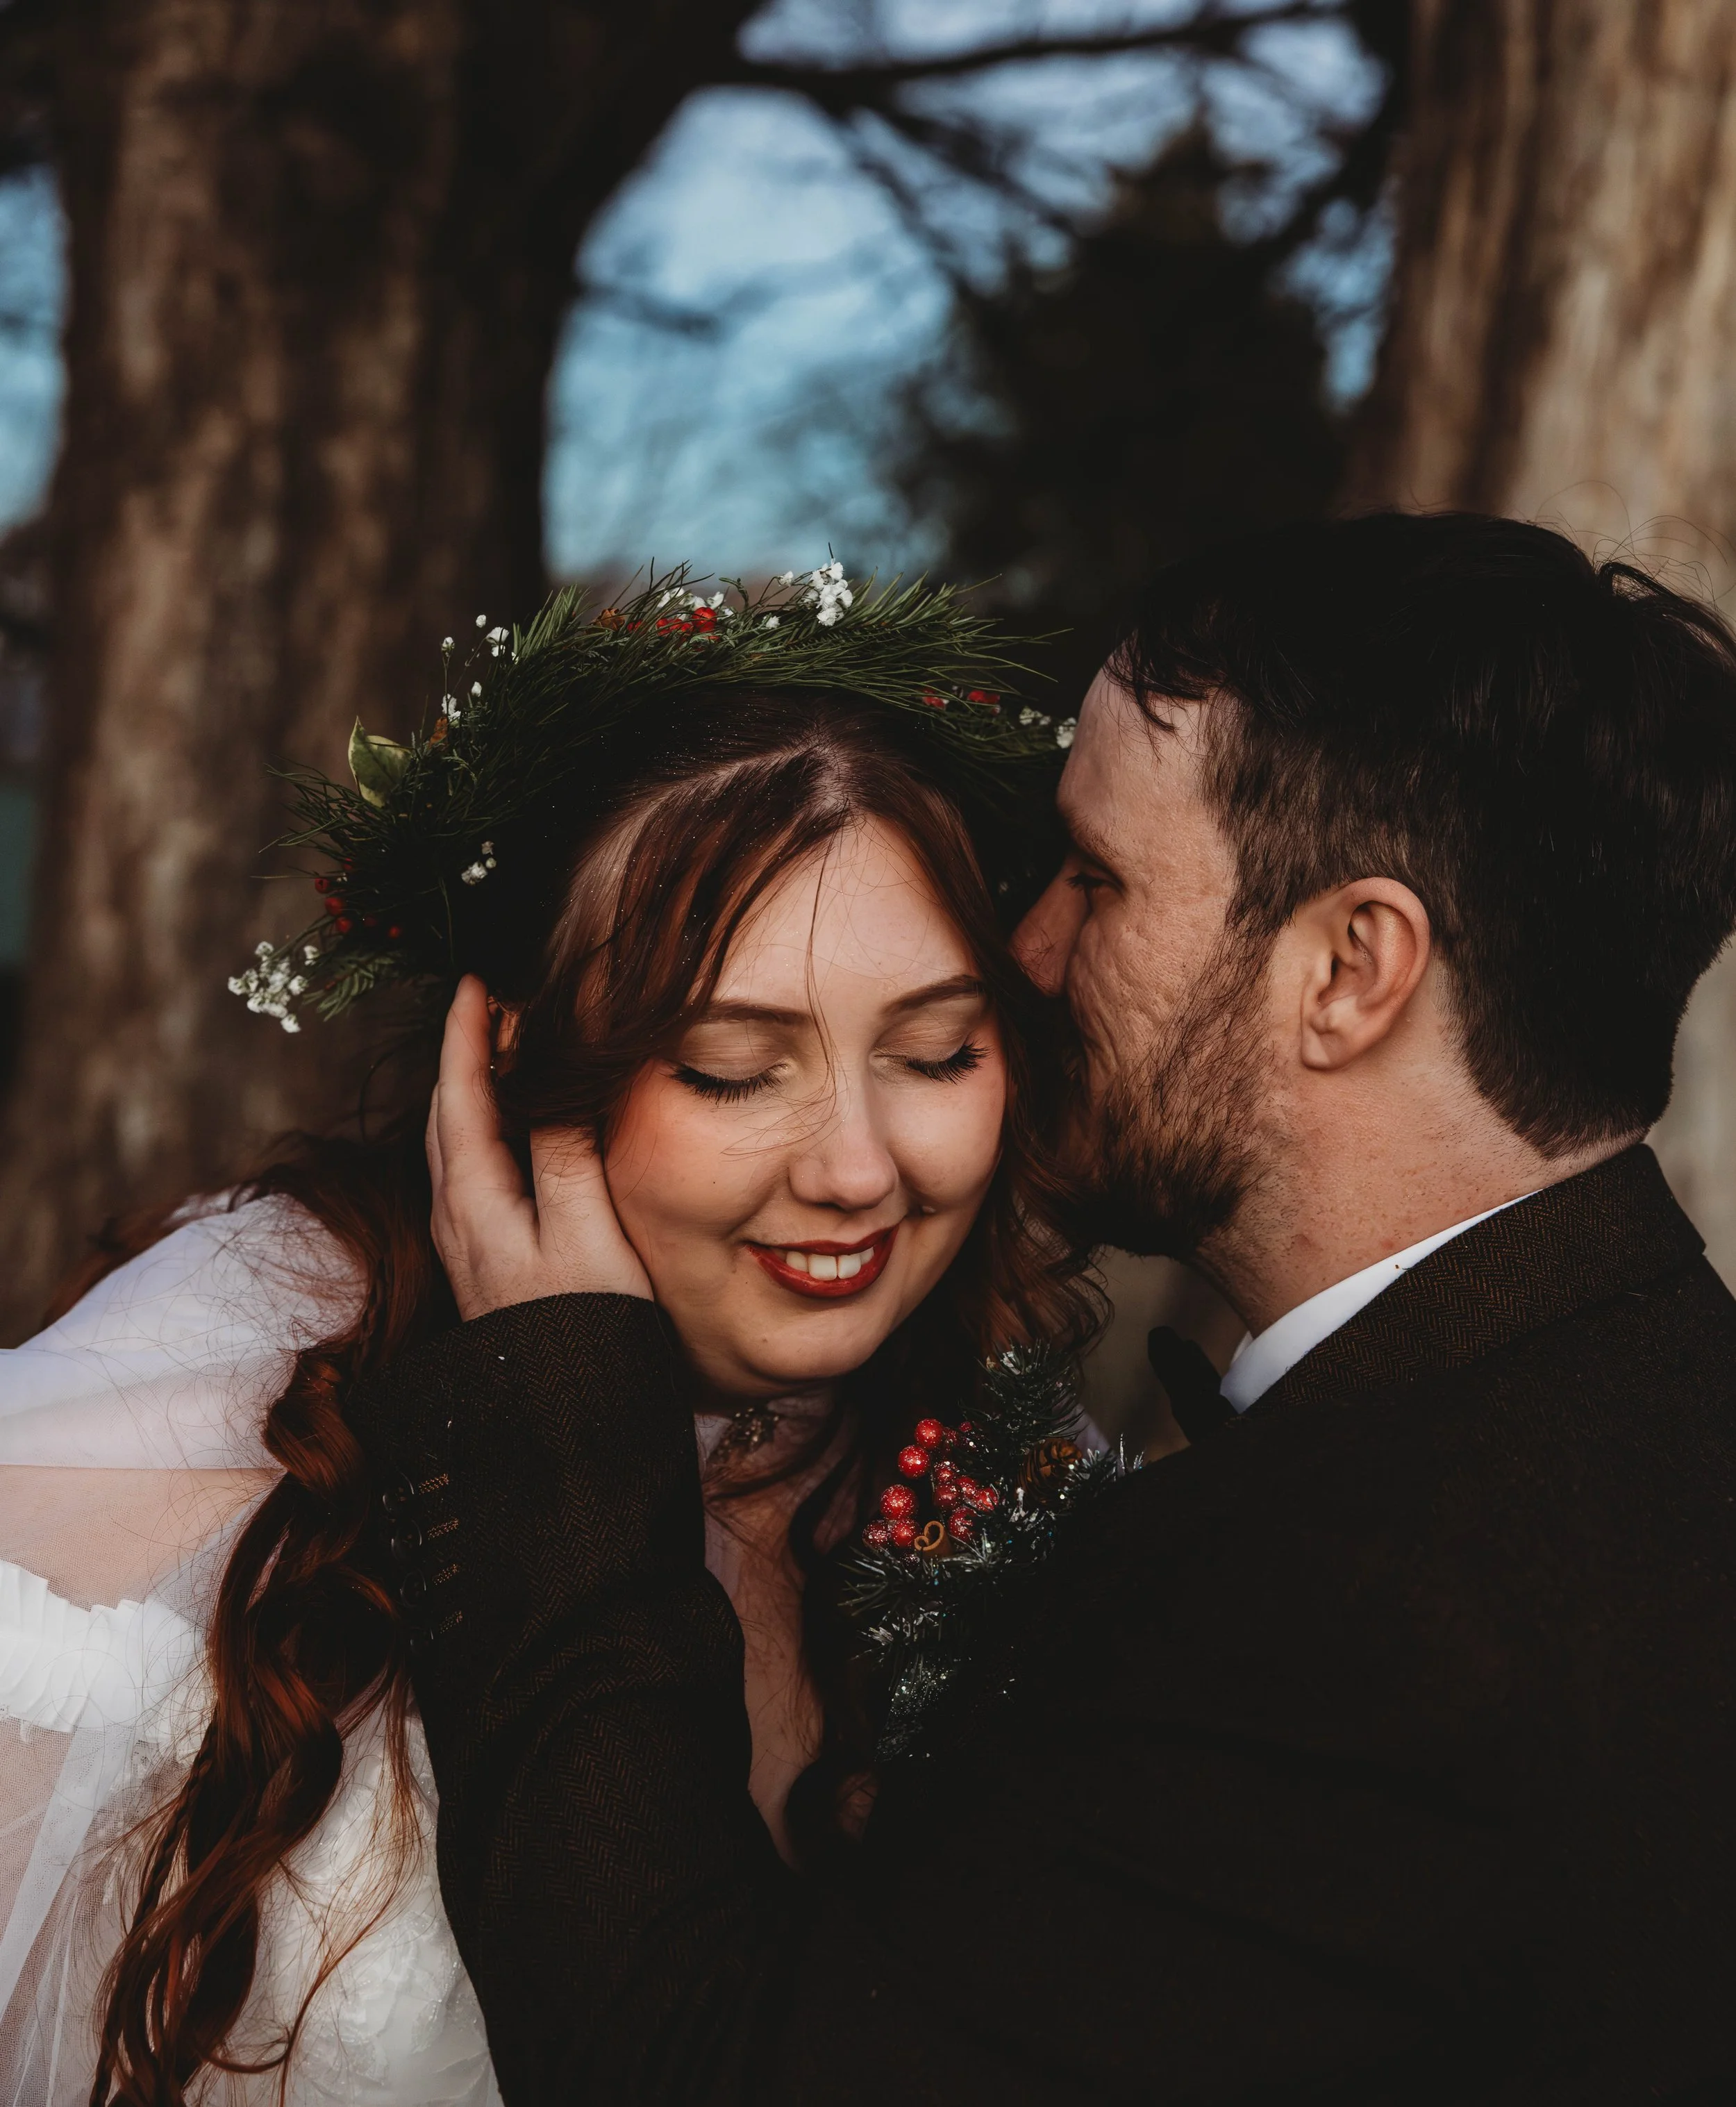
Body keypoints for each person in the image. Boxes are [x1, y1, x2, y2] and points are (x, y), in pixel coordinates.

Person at [359, 513, 1736, 2103]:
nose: (1026, 945)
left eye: (1095, 879)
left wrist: (566, 1417)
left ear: (1351, 967)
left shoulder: (1357, 1612)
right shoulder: (1638, 1414)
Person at [0, 569, 1093, 2104]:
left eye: (934, 1050)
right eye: (731, 1069)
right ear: (513, 1060)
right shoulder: (197, 1437)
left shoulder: (999, 1478)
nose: (859, 1165)